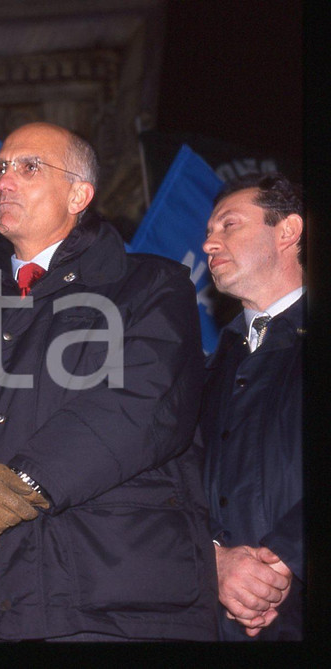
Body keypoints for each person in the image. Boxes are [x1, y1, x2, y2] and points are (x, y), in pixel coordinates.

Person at [0, 122, 217, 641]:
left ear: (79, 194)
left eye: (29, 167)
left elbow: (142, 404)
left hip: (111, 599)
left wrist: (17, 489)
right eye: (0, 169)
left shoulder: (150, 283)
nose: (3, 182)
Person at [200, 173, 304, 640]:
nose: (208, 243)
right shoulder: (206, 369)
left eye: (229, 225)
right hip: (216, 617)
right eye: (208, 232)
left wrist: (283, 560)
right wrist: (216, 559)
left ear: (288, 231)